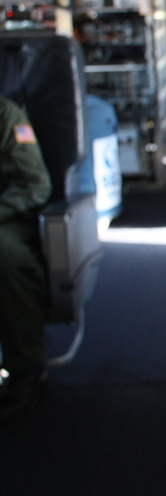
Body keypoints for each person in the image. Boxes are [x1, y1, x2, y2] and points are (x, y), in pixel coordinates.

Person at [0, 97, 52, 421]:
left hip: (8, 218)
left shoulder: (6, 116)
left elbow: (34, 184)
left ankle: (26, 368)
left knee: (4, 256)